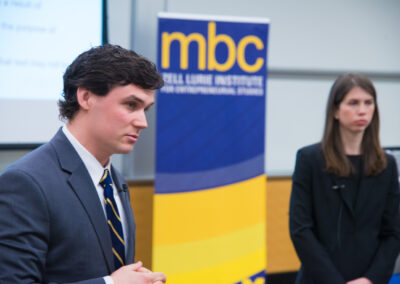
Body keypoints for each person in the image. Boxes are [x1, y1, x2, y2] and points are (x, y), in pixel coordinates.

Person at [0, 45, 167, 284]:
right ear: (86, 97)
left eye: (145, 109)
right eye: (131, 105)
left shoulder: (114, 179)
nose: (143, 122)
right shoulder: (26, 182)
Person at [289, 73, 400, 284]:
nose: (362, 110)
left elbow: (393, 233)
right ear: (335, 110)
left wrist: (370, 279)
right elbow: (300, 229)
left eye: (369, 103)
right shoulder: (309, 160)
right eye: (353, 103)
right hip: (320, 279)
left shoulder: (387, 165)